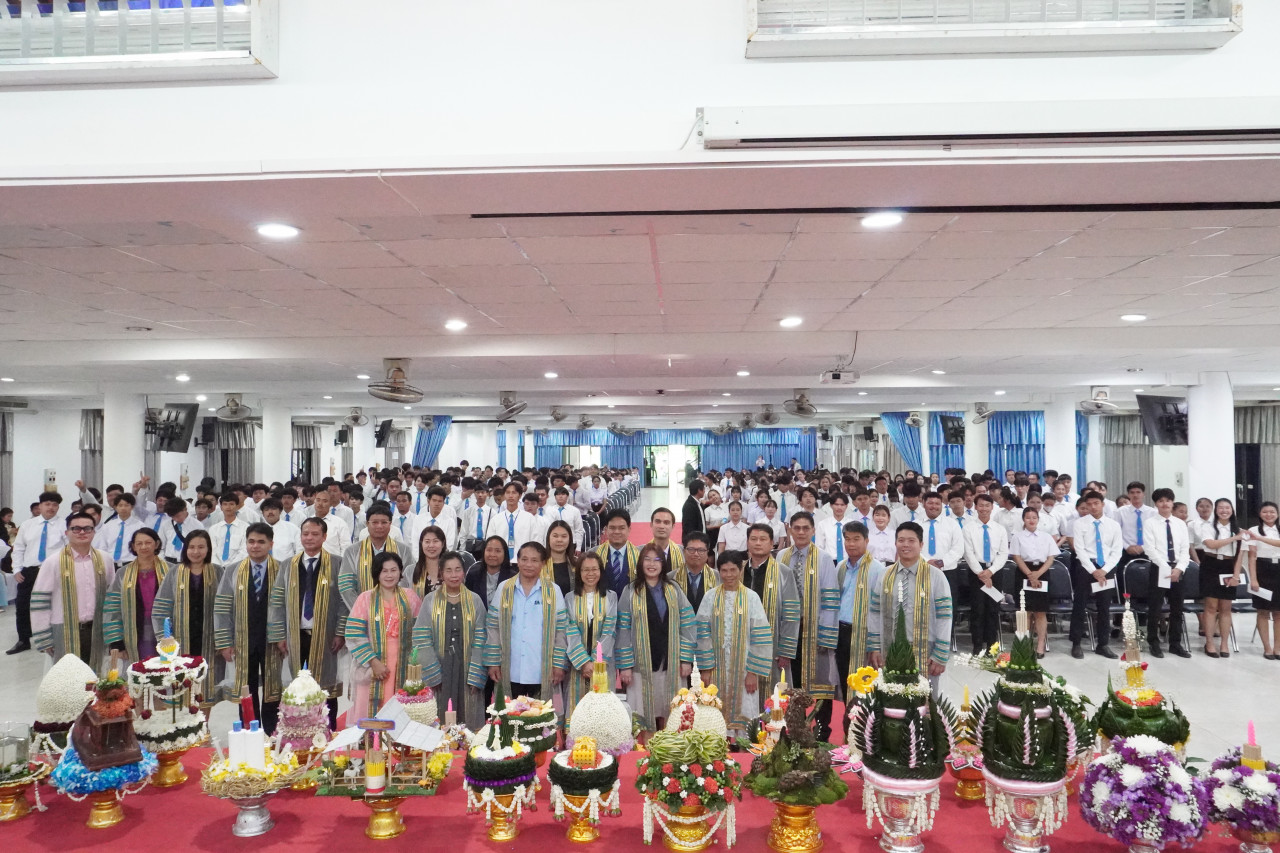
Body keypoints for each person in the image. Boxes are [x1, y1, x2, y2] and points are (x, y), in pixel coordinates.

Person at [484, 541, 588, 702]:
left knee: (542, 715)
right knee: (509, 715)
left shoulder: (553, 591)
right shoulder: (504, 588)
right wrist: (493, 662)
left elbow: (561, 630)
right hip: (509, 669)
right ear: (518, 561)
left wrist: (559, 664)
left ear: (543, 563)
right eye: (524, 559)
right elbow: (493, 627)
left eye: (534, 560)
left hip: (542, 671)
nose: (528, 565)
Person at [269, 517, 346, 728]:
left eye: (315, 534)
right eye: (305, 534)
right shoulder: (288, 565)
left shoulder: (337, 563)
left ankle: (328, 730)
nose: (309, 538)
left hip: (326, 636)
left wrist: (340, 632)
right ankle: (300, 731)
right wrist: (279, 635)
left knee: (326, 688)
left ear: (324, 536)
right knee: (298, 686)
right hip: (296, 636)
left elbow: (343, 600)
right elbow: (277, 601)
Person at [615, 543, 697, 735]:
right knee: (643, 716)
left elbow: (688, 624)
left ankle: (669, 750)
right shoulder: (630, 591)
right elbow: (622, 629)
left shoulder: (673, 589)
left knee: (672, 713)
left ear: (663, 564)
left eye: (656, 560)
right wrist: (625, 665)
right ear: (640, 563)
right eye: (647, 559)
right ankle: (644, 749)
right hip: (640, 666)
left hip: (671, 664)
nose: (652, 564)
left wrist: (686, 659)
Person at [695, 550, 772, 741]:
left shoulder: (752, 598)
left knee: (745, 712)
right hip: (716, 668)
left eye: (733, 570)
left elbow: (760, 636)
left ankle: (744, 748)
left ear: (740, 570)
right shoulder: (710, 597)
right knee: (714, 714)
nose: (729, 575)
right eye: (724, 570)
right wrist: (705, 668)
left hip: (744, 669)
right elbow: (702, 633)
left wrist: (753, 672)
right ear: (718, 571)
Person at [866, 522, 953, 691]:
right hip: (891, 647)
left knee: (924, 700)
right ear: (895, 543)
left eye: (911, 541)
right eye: (901, 540)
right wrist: (874, 646)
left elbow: (945, 617)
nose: (905, 545)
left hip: (926, 649)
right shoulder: (884, 575)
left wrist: (941, 654)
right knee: (891, 697)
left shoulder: (936, 576)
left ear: (921, 544)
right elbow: (874, 613)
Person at [214, 522, 284, 733]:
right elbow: (222, 607)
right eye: (251, 541)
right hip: (242, 639)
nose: (255, 546)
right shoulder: (233, 570)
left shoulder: (282, 569)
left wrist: (285, 636)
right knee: (246, 688)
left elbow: (289, 607)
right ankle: (248, 732)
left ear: (271, 544)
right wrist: (224, 642)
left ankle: (271, 734)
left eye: (261, 542)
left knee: (272, 689)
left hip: (272, 640)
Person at [776, 511, 840, 739]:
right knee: (790, 679)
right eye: (797, 528)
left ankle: (821, 731)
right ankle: (794, 730)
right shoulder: (781, 556)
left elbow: (831, 598)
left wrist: (827, 635)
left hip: (815, 629)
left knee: (821, 681)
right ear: (790, 530)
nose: (801, 532)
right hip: (789, 630)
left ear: (813, 530)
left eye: (806, 528)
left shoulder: (824, 558)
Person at [412, 551, 486, 730]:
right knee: (439, 717)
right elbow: (421, 637)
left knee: (468, 720)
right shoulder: (430, 600)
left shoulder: (475, 600)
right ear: (441, 573)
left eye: (458, 569)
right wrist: (432, 673)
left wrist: (476, 674)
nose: (454, 575)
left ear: (464, 572)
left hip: (467, 668)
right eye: (449, 570)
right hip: (439, 667)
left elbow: (482, 637)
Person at [30, 510, 112, 669]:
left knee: (97, 674)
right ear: (67, 532)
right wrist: (44, 637)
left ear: (94, 532)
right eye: (76, 529)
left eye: (87, 528)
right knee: (68, 677)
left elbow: (111, 596)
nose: (82, 532)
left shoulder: (105, 559)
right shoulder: (53, 562)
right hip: (63, 629)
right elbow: (40, 601)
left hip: (97, 628)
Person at [346, 552, 421, 721]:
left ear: (400, 572)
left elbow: (420, 631)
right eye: (384, 571)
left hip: (403, 665)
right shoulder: (365, 598)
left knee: (401, 713)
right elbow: (354, 634)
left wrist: (415, 662)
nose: (389, 575)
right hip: (373, 665)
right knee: (371, 715)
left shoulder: (410, 597)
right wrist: (373, 662)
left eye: (393, 570)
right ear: (377, 573)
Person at [152, 528, 223, 706]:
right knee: (181, 685)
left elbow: (225, 607)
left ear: (208, 549)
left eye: (201, 547)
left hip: (209, 640)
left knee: (206, 688)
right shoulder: (175, 572)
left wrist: (223, 639)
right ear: (185, 549)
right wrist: (165, 638)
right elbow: (161, 607)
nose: (196, 551)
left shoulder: (217, 572)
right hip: (180, 639)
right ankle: (184, 722)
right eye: (191, 547)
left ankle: (203, 723)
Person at [741, 522, 801, 691]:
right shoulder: (738, 570)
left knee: (773, 695)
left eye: (763, 539)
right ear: (747, 542)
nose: (758, 543)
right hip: (742, 642)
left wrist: (786, 651)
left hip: (773, 644)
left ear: (772, 543)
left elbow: (791, 613)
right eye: (753, 539)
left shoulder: (783, 572)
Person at [1066, 491, 1123, 660]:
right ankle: (1076, 643)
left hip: (1107, 567)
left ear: (1102, 504)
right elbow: (1080, 549)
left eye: (1096, 503)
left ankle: (1103, 644)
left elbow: (1117, 550)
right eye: (1089, 504)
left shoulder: (1113, 525)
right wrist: (1094, 571)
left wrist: (1104, 570)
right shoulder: (1080, 523)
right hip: (1086, 567)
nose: (1092, 507)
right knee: (1080, 604)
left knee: (1104, 606)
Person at [9, 491, 66, 655]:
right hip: (30, 571)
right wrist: (17, 569)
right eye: (47, 504)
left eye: (55, 505)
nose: (51, 507)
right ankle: (23, 640)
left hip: (54, 571)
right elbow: (19, 548)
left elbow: (69, 549)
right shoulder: (28, 525)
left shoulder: (64, 525)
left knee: (53, 605)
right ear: (40, 506)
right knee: (23, 606)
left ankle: (49, 640)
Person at [562, 551, 618, 716]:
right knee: (576, 711)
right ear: (579, 573)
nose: (590, 574)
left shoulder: (611, 597)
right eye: (585, 570)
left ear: (601, 571)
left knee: (602, 712)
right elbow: (570, 630)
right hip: (577, 665)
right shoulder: (570, 598)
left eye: (594, 569)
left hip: (603, 665)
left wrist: (595, 662)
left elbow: (609, 630)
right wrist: (584, 663)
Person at [102, 528, 169, 662]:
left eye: (148, 543)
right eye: (139, 543)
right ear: (133, 546)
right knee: (140, 668)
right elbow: (112, 607)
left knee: (167, 668)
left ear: (156, 544)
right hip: (135, 632)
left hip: (167, 630)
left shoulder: (171, 570)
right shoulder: (123, 573)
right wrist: (116, 642)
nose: (143, 547)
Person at [1141, 488, 1192, 659]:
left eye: (1168, 501)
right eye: (1161, 501)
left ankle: (1175, 643)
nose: (1165, 504)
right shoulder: (1150, 523)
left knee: (1177, 608)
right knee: (1155, 608)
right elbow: (1149, 549)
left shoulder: (1180, 524)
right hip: (1159, 568)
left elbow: (1185, 549)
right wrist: (1166, 568)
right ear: (1156, 504)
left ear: (1172, 503)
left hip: (1178, 569)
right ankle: (1153, 642)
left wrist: (1179, 568)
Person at [835, 521, 884, 695]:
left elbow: (880, 610)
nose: (851, 544)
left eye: (856, 539)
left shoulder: (878, 569)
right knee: (843, 681)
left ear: (866, 540)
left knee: (863, 685)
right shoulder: (841, 566)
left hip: (863, 633)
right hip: (841, 632)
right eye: (847, 539)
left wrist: (875, 645)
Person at [962, 494, 1009, 655]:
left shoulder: (999, 529)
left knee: (993, 609)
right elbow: (968, 553)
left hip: (995, 571)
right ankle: (977, 645)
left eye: (987, 505)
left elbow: (1003, 553)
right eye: (980, 505)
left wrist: (991, 572)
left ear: (992, 507)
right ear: (975, 507)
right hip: (977, 572)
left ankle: (991, 645)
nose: (984, 509)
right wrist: (981, 574)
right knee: (978, 609)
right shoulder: (968, 528)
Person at [340, 504, 405, 612]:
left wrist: (392, 609)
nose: (379, 526)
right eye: (375, 522)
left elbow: (406, 582)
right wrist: (362, 610)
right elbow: (346, 585)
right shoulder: (352, 551)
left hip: (395, 611)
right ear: (367, 524)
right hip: (360, 612)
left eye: (384, 522)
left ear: (390, 524)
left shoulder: (403, 550)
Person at [1010, 507, 1056, 657]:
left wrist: (1038, 574)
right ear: (1023, 520)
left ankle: (1040, 645)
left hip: (1042, 572)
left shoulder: (1046, 537)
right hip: (1024, 572)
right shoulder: (1017, 537)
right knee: (1025, 612)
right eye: (1028, 517)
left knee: (1040, 611)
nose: (1031, 520)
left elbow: (1051, 558)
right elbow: (1016, 557)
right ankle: (1024, 645)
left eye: (1034, 517)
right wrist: (1030, 575)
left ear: (1038, 519)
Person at [1245, 501, 1280, 660]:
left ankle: (1278, 648)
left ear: (1277, 514)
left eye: (1272, 512)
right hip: (1262, 570)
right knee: (1263, 611)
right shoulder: (1253, 530)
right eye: (1265, 512)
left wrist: (1260, 538)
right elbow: (1251, 557)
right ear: (1260, 514)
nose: (1269, 515)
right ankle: (1267, 648)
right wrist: (1253, 579)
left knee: (1278, 613)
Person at [485, 482, 539, 561]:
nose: (510, 496)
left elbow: (535, 542)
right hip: (500, 561)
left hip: (523, 561)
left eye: (514, 493)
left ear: (519, 495)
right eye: (508, 492)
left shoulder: (529, 518)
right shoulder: (495, 519)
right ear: (504, 495)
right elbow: (489, 542)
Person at [595, 508, 639, 598]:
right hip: (601, 604)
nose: (617, 532)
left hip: (630, 605)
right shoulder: (594, 554)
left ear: (629, 529)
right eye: (612, 528)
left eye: (621, 528)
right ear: (606, 530)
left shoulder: (640, 556)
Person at [93, 493, 144, 567]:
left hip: (132, 564)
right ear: (115, 507)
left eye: (126, 505)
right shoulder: (108, 526)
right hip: (110, 564)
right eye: (120, 505)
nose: (123, 508)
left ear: (132, 507)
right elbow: (103, 547)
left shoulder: (140, 526)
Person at [465, 535, 515, 609]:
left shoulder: (513, 578)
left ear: (505, 554)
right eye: (489, 550)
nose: (492, 554)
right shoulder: (473, 574)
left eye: (498, 551)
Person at [673, 531, 718, 613]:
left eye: (701, 550)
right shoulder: (672, 578)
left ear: (707, 553)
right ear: (684, 551)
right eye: (691, 549)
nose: (696, 554)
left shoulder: (718, 577)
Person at [209, 492, 250, 566]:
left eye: (231, 504)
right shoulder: (213, 529)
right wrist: (219, 567)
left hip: (237, 567)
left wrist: (230, 567)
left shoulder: (246, 528)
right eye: (225, 504)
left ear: (237, 506)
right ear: (221, 507)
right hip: (216, 567)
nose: (228, 507)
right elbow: (212, 551)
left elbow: (244, 551)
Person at [410, 526, 449, 597]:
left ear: (443, 544)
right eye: (427, 542)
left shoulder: (451, 570)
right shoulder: (410, 571)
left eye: (435, 541)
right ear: (421, 544)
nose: (431, 545)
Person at [543, 519, 575, 595]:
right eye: (555, 536)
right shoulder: (540, 564)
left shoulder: (577, 564)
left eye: (564, 536)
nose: (559, 540)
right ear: (548, 538)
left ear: (569, 539)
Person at [682, 481, 706, 546]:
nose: (704, 491)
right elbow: (689, 526)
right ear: (699, 490)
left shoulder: (698, 503)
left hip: (700, 538)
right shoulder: (689, 505)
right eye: (703, 489)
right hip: (694, 541)